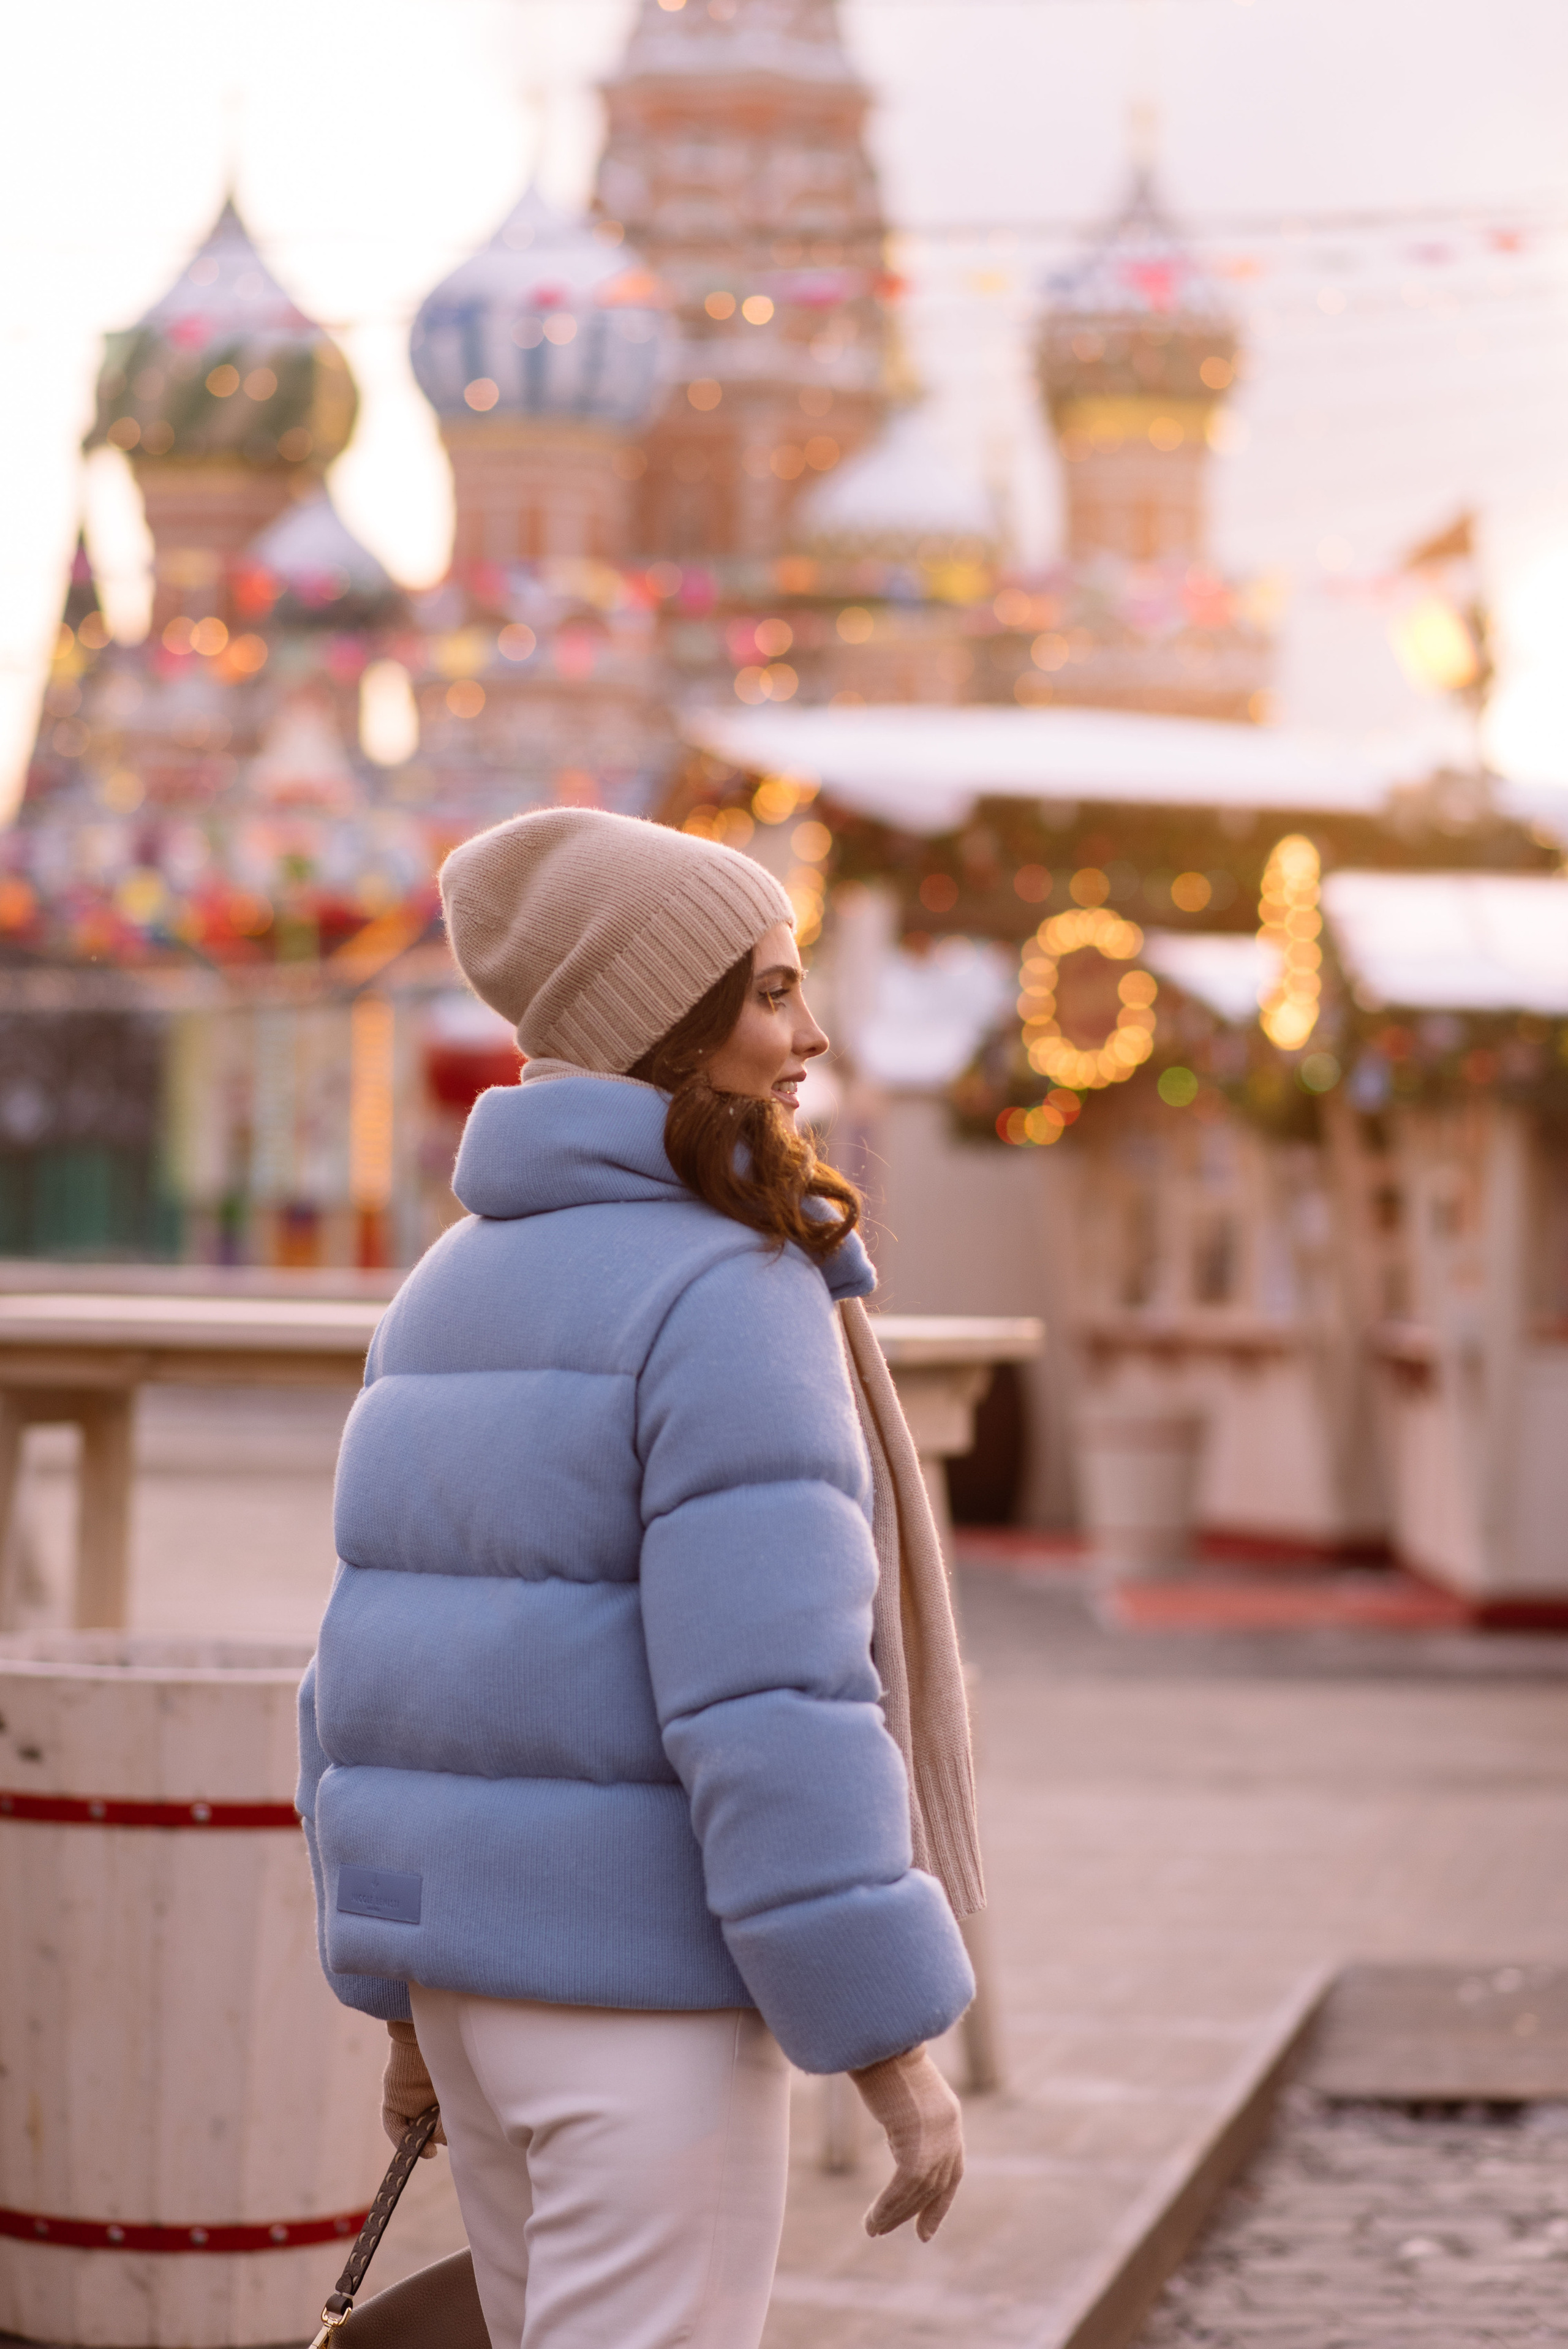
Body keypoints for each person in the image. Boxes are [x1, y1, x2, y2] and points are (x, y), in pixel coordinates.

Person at [297, 807, 985, 2349]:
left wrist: (407, 2003)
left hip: (475, 1992)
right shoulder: (728, 1288)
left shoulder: (444, 1283)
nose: (809, 1031)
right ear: (664, 1028)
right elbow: (774, 1703)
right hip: (641, 2000)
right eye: (768, 991)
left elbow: (364, 1678)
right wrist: (890, 2045)